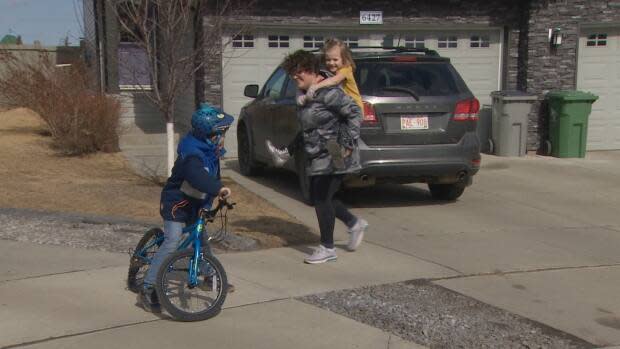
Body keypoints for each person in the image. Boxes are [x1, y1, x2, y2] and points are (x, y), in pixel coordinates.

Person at [272, 49, 368, 264]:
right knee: (322, 197)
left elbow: (355, 113)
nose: (295, 78)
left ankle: (327, 247)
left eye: (298, 74)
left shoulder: (330, 93)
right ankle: (353, 223)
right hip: (318, 153)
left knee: (322, 198)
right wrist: (289, 150)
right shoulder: (307, 96)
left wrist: (348, 143)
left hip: (335, 151)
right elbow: (309, 129)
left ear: (312, 71)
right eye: (292, 74)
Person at [140, 103, 234, 312]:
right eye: (223, 133)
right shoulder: (192, 154)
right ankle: (148, 287)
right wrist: (219, 188)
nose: (225, 136)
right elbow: (199, 177)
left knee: (201, 239)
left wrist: (209, 203)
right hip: (176, 203)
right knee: (173, 240)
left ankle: (210, 276)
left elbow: (211, 177)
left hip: (195, 202)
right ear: (212, 134)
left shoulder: (211, 149)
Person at [266, 38, 362, 167]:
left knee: (338, 135)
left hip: (353, 108)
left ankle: (339, 159)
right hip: (339, 110)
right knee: (309, 133)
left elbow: (332, 82)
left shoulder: (345, 70)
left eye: (335, 60)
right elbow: (303, 86)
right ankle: (288, 153)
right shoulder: (327, 73)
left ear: (344, 59)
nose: (331, 63)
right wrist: (301, 96)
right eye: (328, 60)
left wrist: (315, 87)